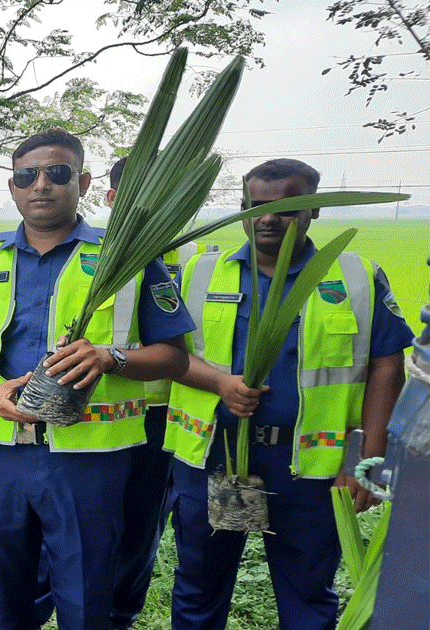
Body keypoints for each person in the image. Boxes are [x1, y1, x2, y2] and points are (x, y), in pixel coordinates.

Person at [0, 127, 193, 630]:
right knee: (2, 585)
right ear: (13, 186)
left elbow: (175, 359)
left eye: (57, 173)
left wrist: (111, 357)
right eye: (27, 175)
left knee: (87, 591)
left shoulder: (127, 258)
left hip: (92, 458)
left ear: (82, 182)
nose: (41, 184)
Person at [165, 158, 413, 630]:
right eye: (256, 206)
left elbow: (387, 365)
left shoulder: (357, 276)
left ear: (313, 210)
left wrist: (370, 456)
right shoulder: (199, 273)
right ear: (241, 208)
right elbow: (169, 353)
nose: (268, 218)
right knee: (199, 587)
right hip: (214, 457)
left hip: (311, 468)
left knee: (308, 594)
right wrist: (219, 383)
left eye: (288, 207)